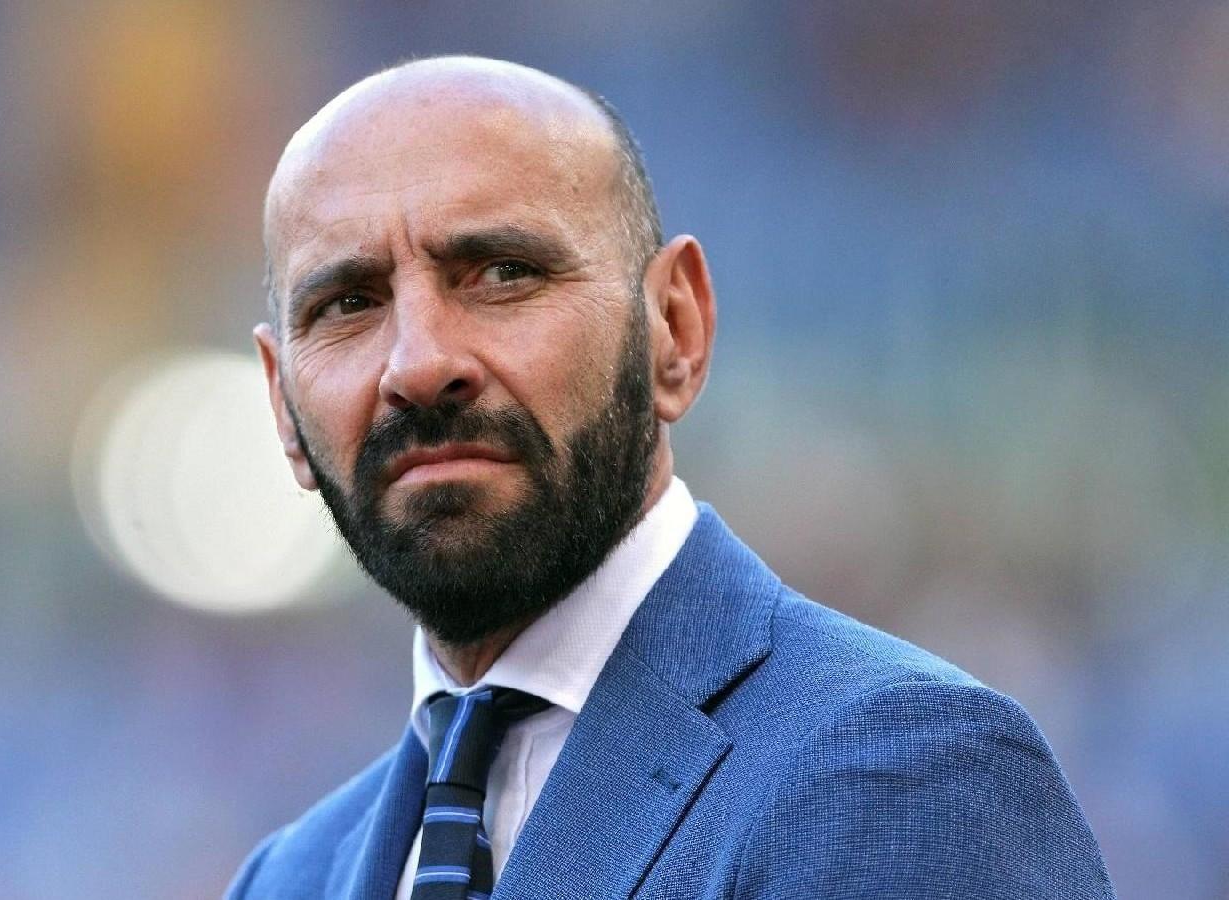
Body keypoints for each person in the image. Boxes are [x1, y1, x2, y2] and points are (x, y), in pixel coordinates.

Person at [229, 55, 1113, 900]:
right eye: (347, 304)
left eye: (504, 273)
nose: (419, 366)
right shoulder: (288, 880)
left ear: (674, 329)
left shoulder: (901, 775)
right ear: (283, 407)